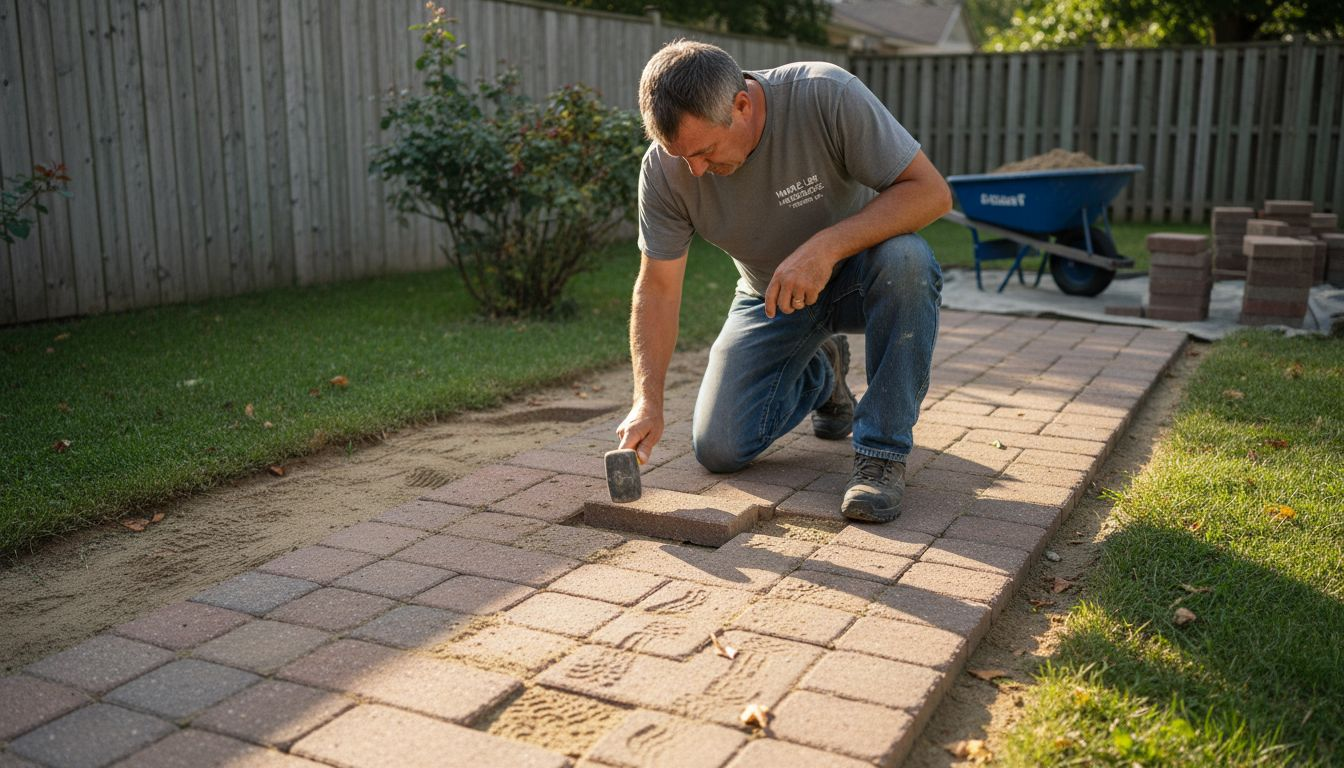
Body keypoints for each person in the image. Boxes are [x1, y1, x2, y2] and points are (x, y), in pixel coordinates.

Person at [616, 40, 950, 523]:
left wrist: (826, 247)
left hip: (863, 276)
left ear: (742, 105)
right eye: (681, 155)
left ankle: (881, 453)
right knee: (719, 448)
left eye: (705, 151)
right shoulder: (667, 170)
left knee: (908, 259)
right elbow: (658, 288)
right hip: (771, 297)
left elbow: (931, 194)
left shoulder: (826, 95)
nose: (696, 170)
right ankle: (823, 373)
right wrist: (647, 401)